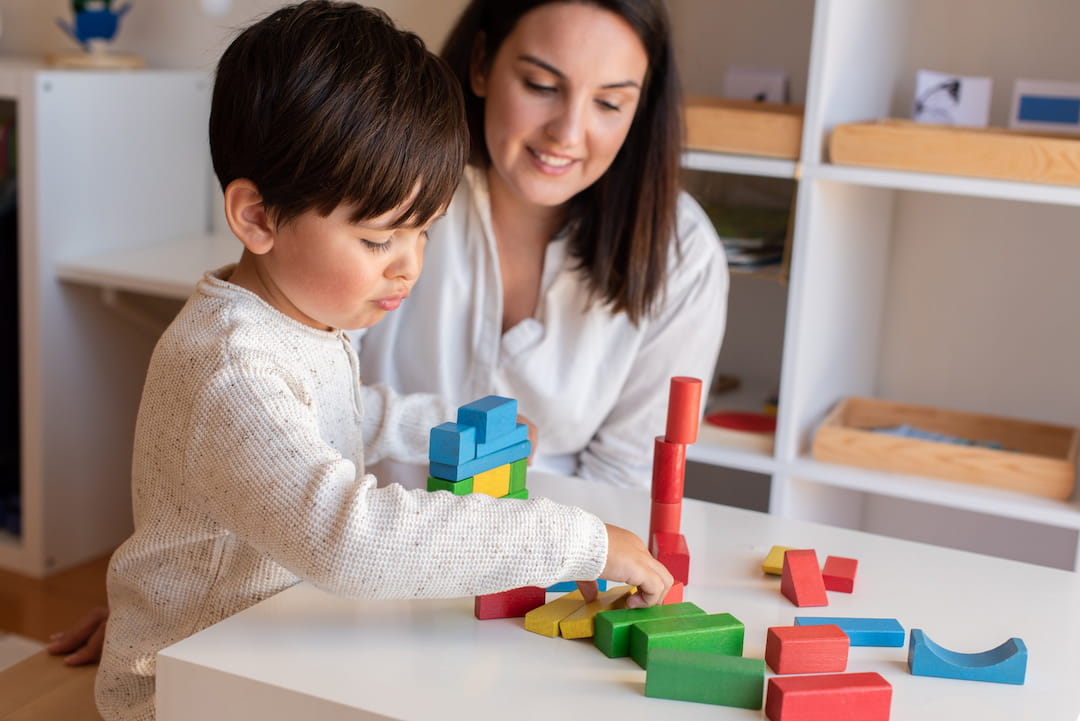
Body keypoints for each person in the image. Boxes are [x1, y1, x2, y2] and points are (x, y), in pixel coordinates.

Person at [49, 0, 727, 667]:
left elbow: (342, 409)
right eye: (380, 239)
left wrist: (444, 424)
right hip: (200, 676)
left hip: (280, 635)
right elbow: (346, 537)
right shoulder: (234, 363)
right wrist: (574, 540)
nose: (409, 265)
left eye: (424, 232)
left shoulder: (301, 320)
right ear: (256, 216)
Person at [355, 0, 728, 490]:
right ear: (482, 63)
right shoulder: (385, 181)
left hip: (553, 552)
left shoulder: (682, 253)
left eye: (609, 103)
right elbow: (308, 390)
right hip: (366, 535)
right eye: (542, 86)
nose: (568, 134)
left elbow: (625, 477)